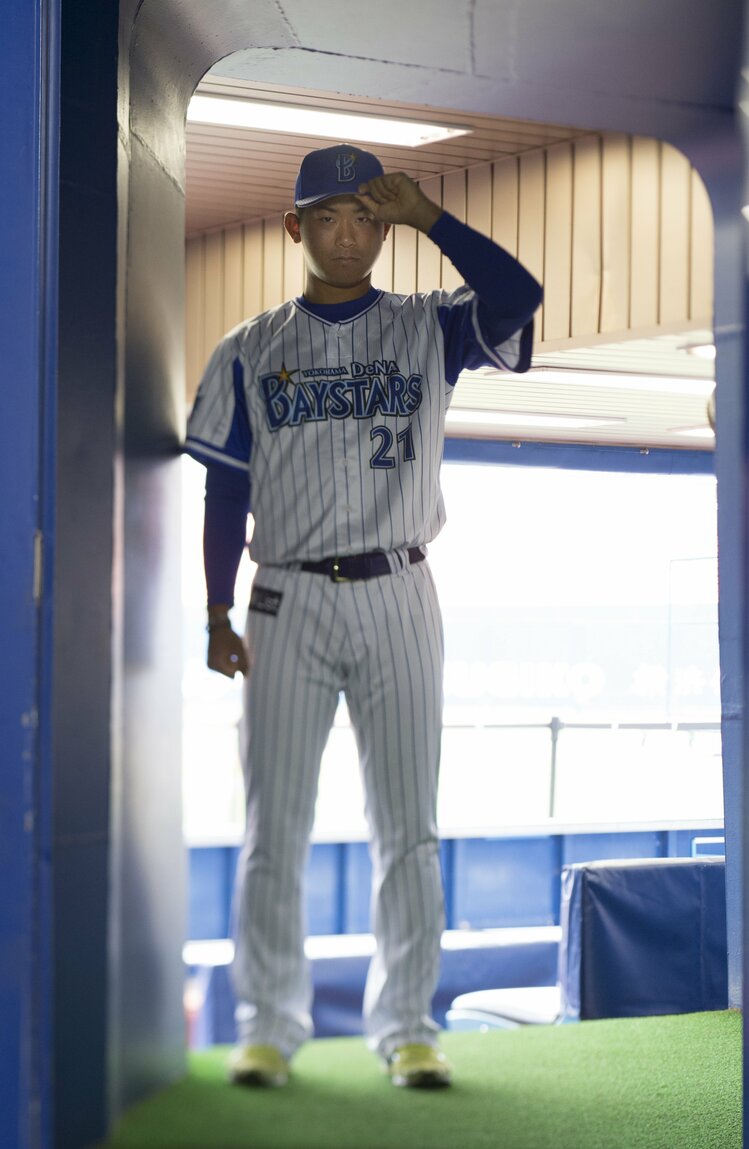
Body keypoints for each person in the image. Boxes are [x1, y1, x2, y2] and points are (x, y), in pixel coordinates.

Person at [184, 143, 542, 1089]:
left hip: (398, 585)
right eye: (328, 217)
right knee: (272, 826)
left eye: (366, 219)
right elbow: (226, 496)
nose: (348, 235)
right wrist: (216, 609)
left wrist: (437, 221)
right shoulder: (246, 348)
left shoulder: (431, 326)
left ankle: (408, 1028)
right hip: (285, 593)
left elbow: (519, 296)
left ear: (384, 230)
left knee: (407, 828)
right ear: (295, 226)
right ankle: (267, 1025)